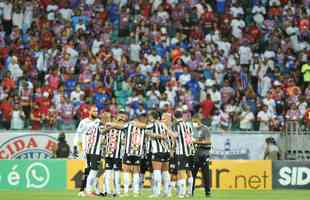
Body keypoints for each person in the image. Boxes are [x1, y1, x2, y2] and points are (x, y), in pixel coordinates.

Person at [147, 111, 176, 197]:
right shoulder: (164, 125)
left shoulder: (151, 125)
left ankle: (157, 192)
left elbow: (147, 133)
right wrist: (171, 148)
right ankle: (167, 192)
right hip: (166, 151)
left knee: (157, 171)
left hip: (157, 151)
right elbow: (173, 135)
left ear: (152, 117)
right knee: (165, 172)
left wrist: (158, 136)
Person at [74, 106, 101, 197]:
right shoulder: (84, 122)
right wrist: (75, 147)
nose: (96, 112)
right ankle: (83, 190)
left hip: (95, 149)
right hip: (86, 149)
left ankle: (87, 190)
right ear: (89, 112)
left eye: (97, 111)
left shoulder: (98, 122)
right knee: (88, 169)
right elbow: (78, 134)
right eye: (94, 111)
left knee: (92, 170)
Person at [103, 111, 127, 197]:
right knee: (110, 173)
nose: (121, 119)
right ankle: (109, 191)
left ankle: (114, 191)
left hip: (116, 154)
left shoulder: (123, 127)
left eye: (122, 117)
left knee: (115, 173)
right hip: (111, 154)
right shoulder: (111, 126)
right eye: (120, 117)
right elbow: (104, 139)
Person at [174, 110, 194, 198]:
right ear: (181, 116)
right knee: (189, 172)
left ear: (174, 117)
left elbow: (175, 136)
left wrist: (167, 130)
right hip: (189, 151)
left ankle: (182, 193)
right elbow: (190, 138)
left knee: (181, 171)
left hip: (181, 151)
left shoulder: (176, 125)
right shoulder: (188, 125)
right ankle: (189, 192)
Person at [191, 116, 212, 198]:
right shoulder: (193, 129)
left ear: (199, 121)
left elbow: (208, 141)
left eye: (195, 121)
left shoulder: (205, 129)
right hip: (195, 154)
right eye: (193, 122)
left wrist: (196, 142)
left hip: (204, 154)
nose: (194, 123)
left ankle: (208, 192)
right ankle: (190, 191)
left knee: (206, 174)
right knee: (192, 175)